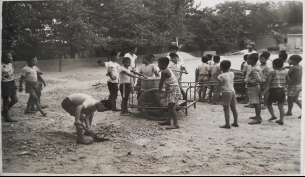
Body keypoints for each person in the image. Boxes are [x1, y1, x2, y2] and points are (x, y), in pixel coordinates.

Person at [263, 59, 290, 125]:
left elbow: (268, 82)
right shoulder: (285, 72)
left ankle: (273, 115)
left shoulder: (272, 72)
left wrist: (265, 90)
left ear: (274, 65)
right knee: (281, 106)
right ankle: (281, 120)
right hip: (282, 90)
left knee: (269, 103)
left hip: (273, 90)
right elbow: (289, 81)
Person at [158, 57, 181, 129]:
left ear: (163, 64)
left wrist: (159, 91)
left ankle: (176, 124)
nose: (158, 65)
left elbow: (161, 83)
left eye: (159, 64)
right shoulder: (168, 69)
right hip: (173, 89)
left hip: (173, 90)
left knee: (172, 107)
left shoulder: (164, 72)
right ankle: (168, 120)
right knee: (169, 106)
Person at [218, 60, 238, 129]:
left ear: (221, 67)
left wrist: (219, 94)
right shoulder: (232, 73)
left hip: (226, 92)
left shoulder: (221, 76)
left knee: (226, 108)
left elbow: (220, 86)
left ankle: (227, 124)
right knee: (233, 107)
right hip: (232, 91)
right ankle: (235, 122)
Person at [1, 51, 18, 122]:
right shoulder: (1, 66)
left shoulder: (10, 65)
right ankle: (7, 116)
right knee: (6, 100)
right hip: (4, 84)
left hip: (11, 83)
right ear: (5, 58)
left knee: (15, 100)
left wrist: (14, 84)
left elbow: (11, 75)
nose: (12, 58)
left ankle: (4, 112)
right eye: (10, 56)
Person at [246, 53, 262, 124]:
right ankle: (257, 116)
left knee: (256, 103)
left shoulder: (254, 69)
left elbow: (258, 79)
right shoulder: (255, 67)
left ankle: (258, 119)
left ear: (252, 60)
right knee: (256, 102)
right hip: (254, 87)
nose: (247, 60)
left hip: (254, 87)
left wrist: (249, 81)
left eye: (248, 59)